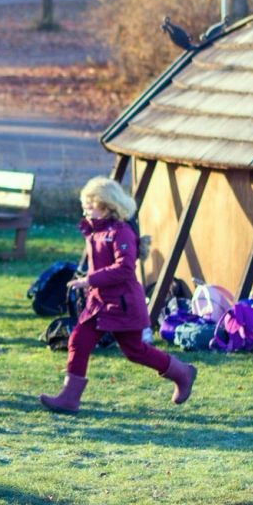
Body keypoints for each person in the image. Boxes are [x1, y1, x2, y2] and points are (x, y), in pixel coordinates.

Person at [40, 177, 195, 414]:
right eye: (85, 204)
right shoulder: (95, 231)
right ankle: (69, 398)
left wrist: (89, 280)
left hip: (124, 304)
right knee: (78, 340)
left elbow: (124, 269)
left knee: (134, 351)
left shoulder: (120, 232)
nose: (85, 209)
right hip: (100, 303)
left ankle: (182, 373)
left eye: (90, 204)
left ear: (107, 204)